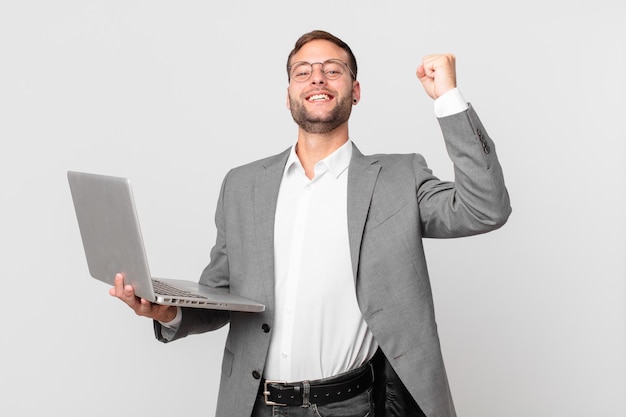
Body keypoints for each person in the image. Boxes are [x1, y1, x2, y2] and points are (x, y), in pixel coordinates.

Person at [110, 30, 511, 417]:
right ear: (288, 96)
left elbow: (485, 207)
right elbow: (221, 295)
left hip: (352, 405)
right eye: (302, 71)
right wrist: (169, 313)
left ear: (355, 91)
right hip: (253, 405)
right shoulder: (242, 185)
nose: (317, 77)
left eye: (333, 69)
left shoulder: (399, 178)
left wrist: (448, 98)